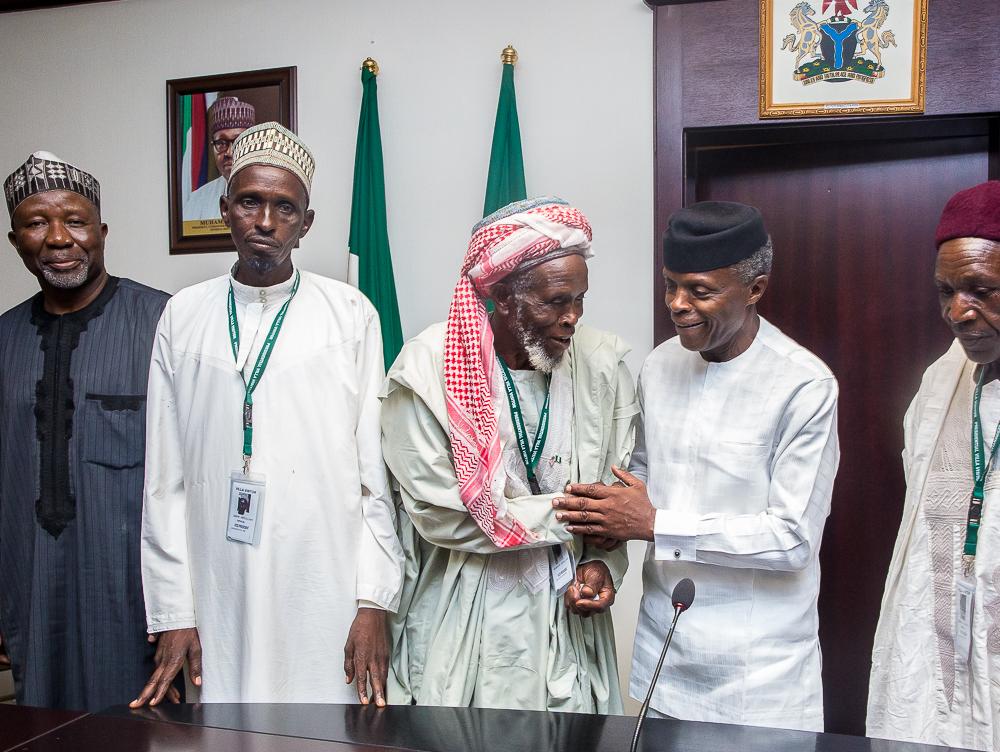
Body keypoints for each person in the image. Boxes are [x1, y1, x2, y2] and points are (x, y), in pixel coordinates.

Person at [134, 122, 403, 707]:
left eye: (285, 207)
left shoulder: (350, 314)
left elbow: (373, 479)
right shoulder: (183, 316)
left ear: (307, 224)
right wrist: (176, 610)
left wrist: (374, 600)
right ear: (226, 208)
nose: (264, 221)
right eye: (250, 201)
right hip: (217, 581)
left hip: (323, 579)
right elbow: (165, 481)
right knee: (224, 722)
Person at [554, 201, 840, 731]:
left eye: (700, 291)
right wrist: (601, 555)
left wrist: (655, 524)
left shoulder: (803, 385)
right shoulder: (660, 365)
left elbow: (793, 537)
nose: (678, 305)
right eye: (670, 285)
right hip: (665, 665)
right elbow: (636, 485)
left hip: (758, 682)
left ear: (755, 288)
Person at [381, 196, 637, 712]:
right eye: (555, 302)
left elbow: (616, 490)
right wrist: (582, 517)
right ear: (499, 294)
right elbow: (441, 513)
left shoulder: (601, 362)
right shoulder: (427, 369)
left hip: (567, 625)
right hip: (463, 617)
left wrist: (604, 564)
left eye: (580, 300)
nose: (572, 319)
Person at [0, 151, 169, 710]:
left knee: (145, 732)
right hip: (29, 592)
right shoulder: (3, 342)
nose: (57, 238)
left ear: (102, 231)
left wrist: (184, 612)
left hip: (136, 601)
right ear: (14, 240)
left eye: (74, 220)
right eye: (35, 223)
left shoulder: (164, 323)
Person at [868, 181, 1000, 752]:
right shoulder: (941, 381)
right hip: (937, 650)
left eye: (981, 290)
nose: (956, 311)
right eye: (946, 291)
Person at [182, 96, 255, 221]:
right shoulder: (198, 200)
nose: (230, 152)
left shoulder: (271, 191)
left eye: (239, 142)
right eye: (221, 143)